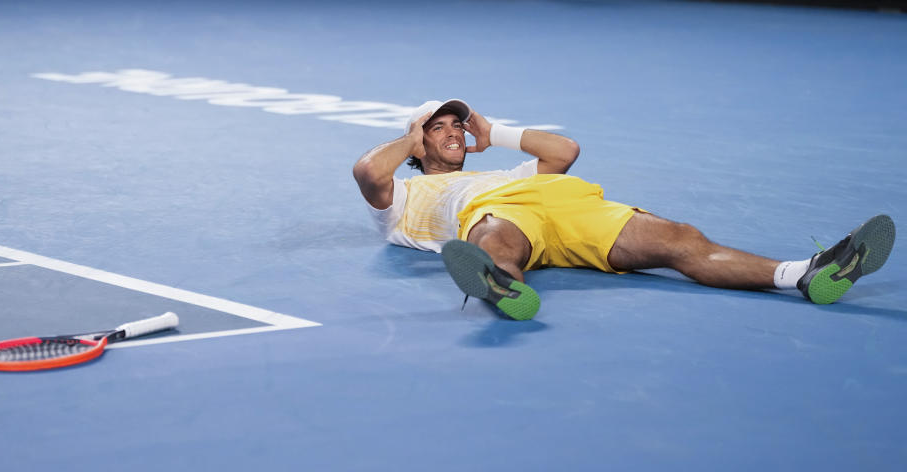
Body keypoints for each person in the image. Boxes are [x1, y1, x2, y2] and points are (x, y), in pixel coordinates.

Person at [352, 99, 896, 320]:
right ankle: (501, 284)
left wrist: (495, 133)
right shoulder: (403, 197)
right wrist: (413, 136)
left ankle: (802, 275)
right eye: (438, 128)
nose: (451, 133)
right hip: (494, 215)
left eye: (456, 126)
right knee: (495, 233)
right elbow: (368, 174)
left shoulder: (503, 169)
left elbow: (564, 153)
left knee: (681, 238)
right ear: (418, 144)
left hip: (570, 206)